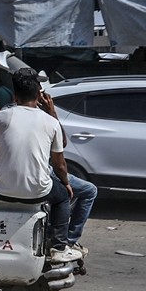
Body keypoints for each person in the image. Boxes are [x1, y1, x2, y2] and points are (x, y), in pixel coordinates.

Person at [0, 69, 75, 260]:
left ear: (14, 95)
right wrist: (66, 183)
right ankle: (58, 246)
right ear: (39, 95)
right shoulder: (51, 122)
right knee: (63, 197)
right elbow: (60, 165)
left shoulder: (1, 117)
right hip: (36, 192)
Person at [35, 88, 98, 254]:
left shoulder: (5, 114)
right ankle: (64, 242)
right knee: (76, 192)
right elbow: (60, 157)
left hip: (9, 177)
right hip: (43, 172)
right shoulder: (44, 119)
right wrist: (66, 183)